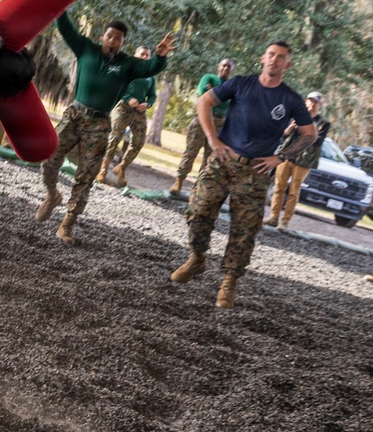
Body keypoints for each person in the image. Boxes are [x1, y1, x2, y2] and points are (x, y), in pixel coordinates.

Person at [170, 41, 316, 309]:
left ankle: (229, 282)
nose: (274, 60)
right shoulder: (240, 83)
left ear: (288, 64)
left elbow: (310, 134)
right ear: (263, 58)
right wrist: (213, 139)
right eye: (271, 54)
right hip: (223, 159)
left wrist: (280, 157)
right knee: (199, 209)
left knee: (244, 229)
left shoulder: (291, 99)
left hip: (255, 171)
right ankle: (197, 257)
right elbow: (204, 101)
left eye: (281, 57)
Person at [35, 15, 175, 244]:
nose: (112, 40)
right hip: (74, 116)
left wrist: (160, 55)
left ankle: (67, 225)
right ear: (103, 37)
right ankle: (52, 195)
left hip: (99, 125)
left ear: (122, 43)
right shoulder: (86, 49)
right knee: (49, 158)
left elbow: (151, 68)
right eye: (109, 36)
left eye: (118, 39)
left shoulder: (128, 64)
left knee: (86, 176)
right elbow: (65, 27)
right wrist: (61, 5)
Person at [264, 91, 331, 229]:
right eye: (310, 100)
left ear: (320, 105)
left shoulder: (323, 123)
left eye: (316, 102)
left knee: (294, 191)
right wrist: (290, 127)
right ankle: (273, 217)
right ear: (306, 101)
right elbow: (283, 134)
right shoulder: (295, 115)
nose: (312, 104)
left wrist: (312, 130)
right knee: (279, 187)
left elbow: (318, 143)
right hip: (286, 155)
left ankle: (285, 222)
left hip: (304, 159)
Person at [170, 58, 234, 194]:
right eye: (223, 65)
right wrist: (220, 97)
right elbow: (203, 96)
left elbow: (227, 103)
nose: (225, 69)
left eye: (228, 67)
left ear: (231, 70)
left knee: (210, 158)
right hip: (201, 120)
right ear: (218, 66)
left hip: (219, 125)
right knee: (191, 152)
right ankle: (179, 182)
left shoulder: (232, 85)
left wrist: (214, 93)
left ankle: (198, 189)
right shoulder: (208, 77)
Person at [96, 44, 155, 187]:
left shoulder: (150, 76)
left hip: (139, 112)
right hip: (122, 106)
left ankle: (121, 168)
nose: (144, 57)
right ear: (135, 55)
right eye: (141, 54)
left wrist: (147, 105)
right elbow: (116, 84)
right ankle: (103, 169)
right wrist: (128, 97)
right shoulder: (127, 69)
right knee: (115, 137)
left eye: (147, 55)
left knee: (139, 141)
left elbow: (152, 96)